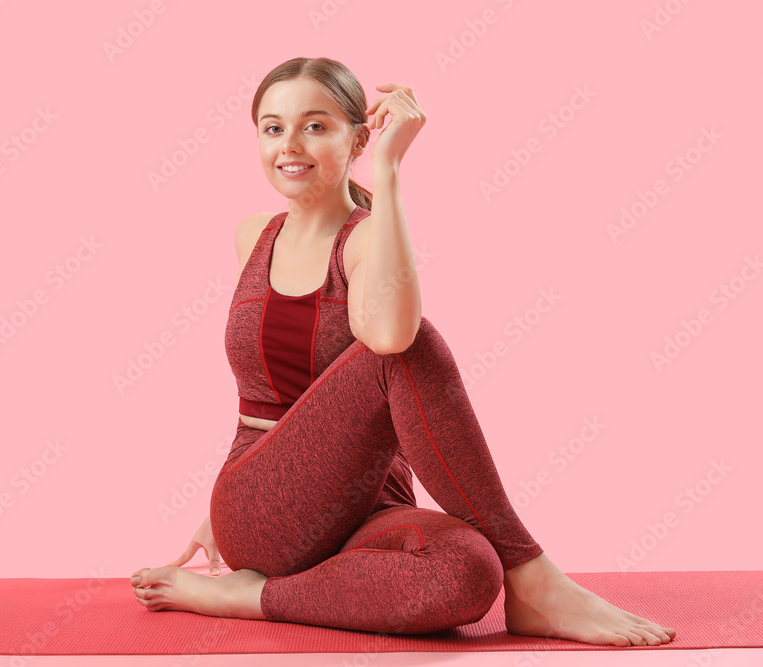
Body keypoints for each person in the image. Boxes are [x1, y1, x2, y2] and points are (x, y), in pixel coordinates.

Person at [130, 56, 677, 646]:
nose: (290, 144)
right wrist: (232, 508)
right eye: (272, 127)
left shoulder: (367, 237)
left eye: (315, 125)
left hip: (371, 505)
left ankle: (256, 597)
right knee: (402, 348)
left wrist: (388, 172)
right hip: (263, 506)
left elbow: (388, 333)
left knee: (469, 571)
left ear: (359, 137)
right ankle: (535, 577)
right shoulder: (252, 235)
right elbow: (284, 381)